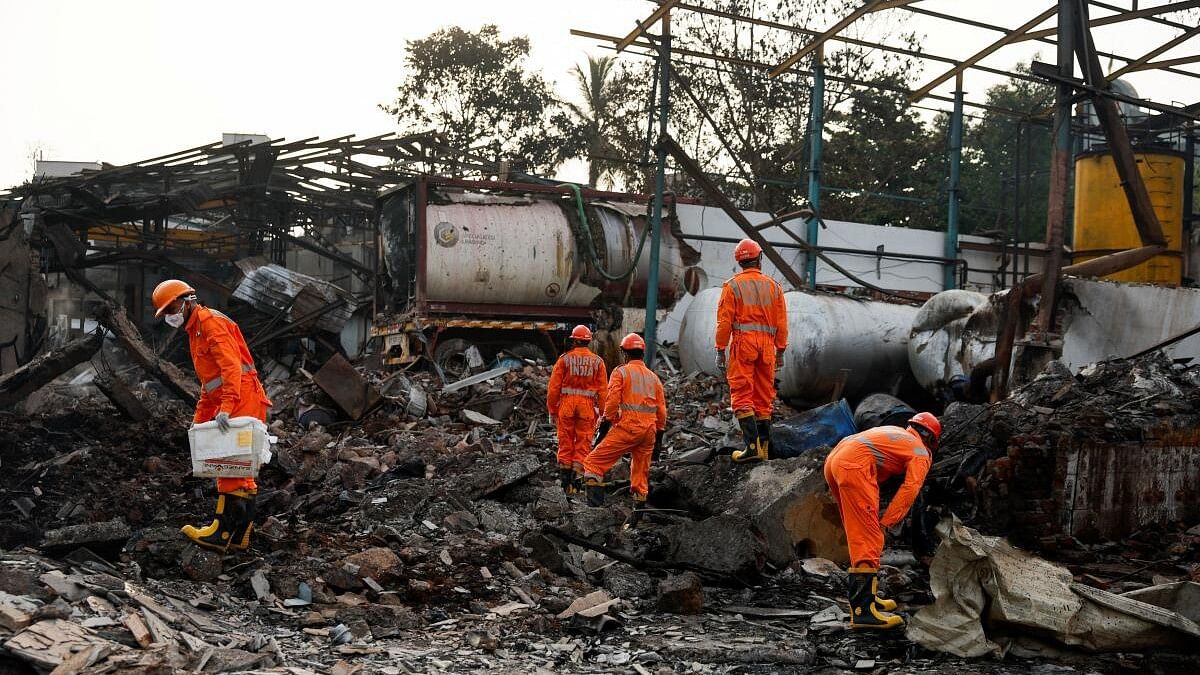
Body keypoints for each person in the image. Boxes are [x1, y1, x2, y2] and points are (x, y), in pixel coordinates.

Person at [151, 279, 271, 553]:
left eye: (171, 308)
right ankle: (240, 536)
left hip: (240, 397)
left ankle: (220, 533)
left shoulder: (209, 324)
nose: (170, 316)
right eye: (166, 311)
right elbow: (210, 383)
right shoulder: (196, 331)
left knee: (228, 466)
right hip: (239, 397)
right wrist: (199, 419)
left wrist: (227, 406)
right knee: (242, 472)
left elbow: (231, 368)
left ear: (186, 301)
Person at [823, 412, 942, 629]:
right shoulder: (920, 451)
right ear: (932, 440)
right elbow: (910, 489)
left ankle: (868, 597)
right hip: (854, 466)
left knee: (857, 534)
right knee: (869, 537)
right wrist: (888, 522)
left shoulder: (896, 434)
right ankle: (862, 613)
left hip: (834, 460)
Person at [581, 333, 666, 528]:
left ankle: (594, 514)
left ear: (624, 353)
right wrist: (659, 438)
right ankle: (636, 519)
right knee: (640, 472)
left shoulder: (621, 373)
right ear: (642, 353)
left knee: (593, 462)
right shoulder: (653, 378)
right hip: (649, 432)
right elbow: (661, 410)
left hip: (628, 428)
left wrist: (604, 426)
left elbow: (611, 403)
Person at [715, 238, 788, 462]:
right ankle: (763, 450)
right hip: (767, 347)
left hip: (743, 345)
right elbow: (782, 323)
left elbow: (724, 322)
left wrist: (720, 349)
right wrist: (781, 350)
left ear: (739, 262)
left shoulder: (732, 286)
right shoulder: (775, 287)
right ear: (760, 258)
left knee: (742, 395)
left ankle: (752, 448)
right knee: (764, 397)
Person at [546, 325, 607, 496]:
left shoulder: (564, 359)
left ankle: (565, 486)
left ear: (574, 340)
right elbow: (603, 392)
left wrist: (552, 410)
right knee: (583, 445)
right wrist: (603, 414)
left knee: (565, 444)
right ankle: (576, 486)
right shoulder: (598, 362)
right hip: (587, 408)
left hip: (566, 406)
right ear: (588, 341)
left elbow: (553, 388)